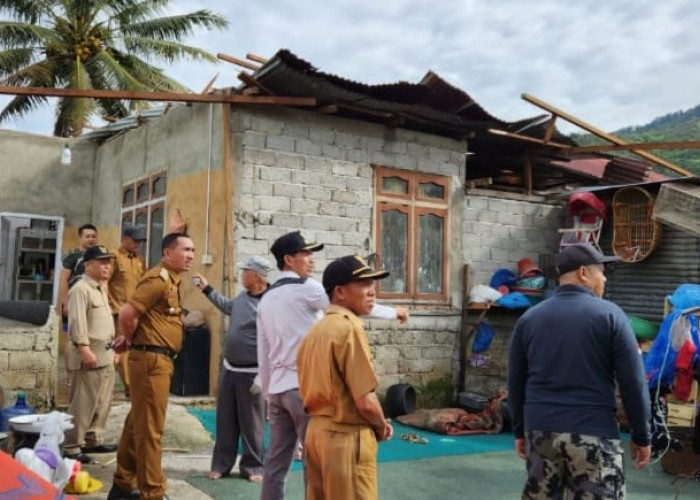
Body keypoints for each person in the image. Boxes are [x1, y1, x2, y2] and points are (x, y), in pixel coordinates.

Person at [256, 231, 408, 500]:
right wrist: (396, 312)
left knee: (277, 464)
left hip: (278, 388)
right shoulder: (311, 290)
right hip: (306, 392)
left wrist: (268, 394)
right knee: (320, 473)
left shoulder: (266, 298)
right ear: (289, 260)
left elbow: (264, 350)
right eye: (306, 254)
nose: (311, 260)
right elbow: (355, 306)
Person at [507, 242, 652, 499]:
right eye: (601, 272)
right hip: (593, 435)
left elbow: (516, 382)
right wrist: (642, 435)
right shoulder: (611, 316)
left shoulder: (529, 319)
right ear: (584, 273)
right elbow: (633, 382)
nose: (604, 278)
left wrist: (520, 431)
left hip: (541, 434)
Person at [297, 255, 395, 500]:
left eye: (372, 285)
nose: (372, 292)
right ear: (339, 291)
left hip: (316, 433)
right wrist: (381, 426)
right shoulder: (349, 328)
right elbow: (365, 401)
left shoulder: (315, 332)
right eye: (363, 285)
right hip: (346, 438)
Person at [107, 233, 195, 500]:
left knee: (138, 424)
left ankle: (122, 484)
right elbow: (127, 313)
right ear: (168, 253)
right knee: (151, 431)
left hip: (156, 359)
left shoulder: (172, 280)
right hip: (150, 360)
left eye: (193, 250)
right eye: (185, 250)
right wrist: (131, 338)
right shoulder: (157, 279)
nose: (190, 255)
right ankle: (153, 492)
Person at [192, 256, 271, 483]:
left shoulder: (271, 302)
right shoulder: (243, 297)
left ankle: (254, 467)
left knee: (252, 424)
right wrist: (206, 289)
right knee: (225, 420)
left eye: (244, 271)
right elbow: (227, 307)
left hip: (253, 373)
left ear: (256, 276)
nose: (240, 275)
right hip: (230, 369)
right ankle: (221, 465)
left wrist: (264, 375)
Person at [62, 245, 118, 464]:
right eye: (102, 262)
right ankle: (72, 446)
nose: (107, 266)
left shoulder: (99, 288)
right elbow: (77, 322)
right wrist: (83, 348)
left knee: (102, 401)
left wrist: (114, 349)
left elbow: (105, 321)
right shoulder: (80, 289)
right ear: (88, 265)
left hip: (105, 354)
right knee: (82, 403)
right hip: (88, 354)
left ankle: (93, 439)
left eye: (108, 262)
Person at [108, 224, 147, 398]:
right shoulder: (114, 257)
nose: (137, 244)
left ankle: (131, 385)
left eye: (140, 241)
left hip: (135, 311)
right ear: (124, 239)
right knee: (122, 350)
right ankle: (130, 387)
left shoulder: (139, 259)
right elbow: (105, 282)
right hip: (118, 310)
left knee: (133, 349)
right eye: (135, 240)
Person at [60, 223, 98, 318]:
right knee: (74, 330)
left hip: (93, 300)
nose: (91, 239)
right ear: (80, 238)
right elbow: (63, 279)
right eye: (87, 236)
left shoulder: (99, 256)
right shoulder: (72, 255)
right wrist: (66, 303)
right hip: (74, 299)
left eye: (93, 236)